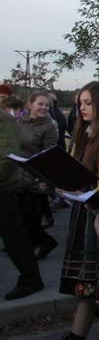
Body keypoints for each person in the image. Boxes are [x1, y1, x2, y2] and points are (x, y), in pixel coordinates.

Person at [35, 81, 99, 340]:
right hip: (81, 214)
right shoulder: (82, 133)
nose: (81, 108)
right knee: (86, 288)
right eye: (79, 103)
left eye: (87, 102)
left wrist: (85, 193)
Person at [0, 107, 45, 300]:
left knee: (14, 238)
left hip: (4, 188)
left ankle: (31, 279)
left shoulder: (4, 121)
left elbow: (6, 158)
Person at [16, 92, 59, 260]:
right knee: (20, 218)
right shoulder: (19, 122)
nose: (44, 107)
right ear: (29, 105)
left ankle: (46, 241)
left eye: (46, 105)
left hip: (35, 180)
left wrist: (44, 178)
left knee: (29, 219)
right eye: (40, 104)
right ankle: (30, 243)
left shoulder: (49, 127)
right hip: (18, 176)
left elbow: (49, 154)